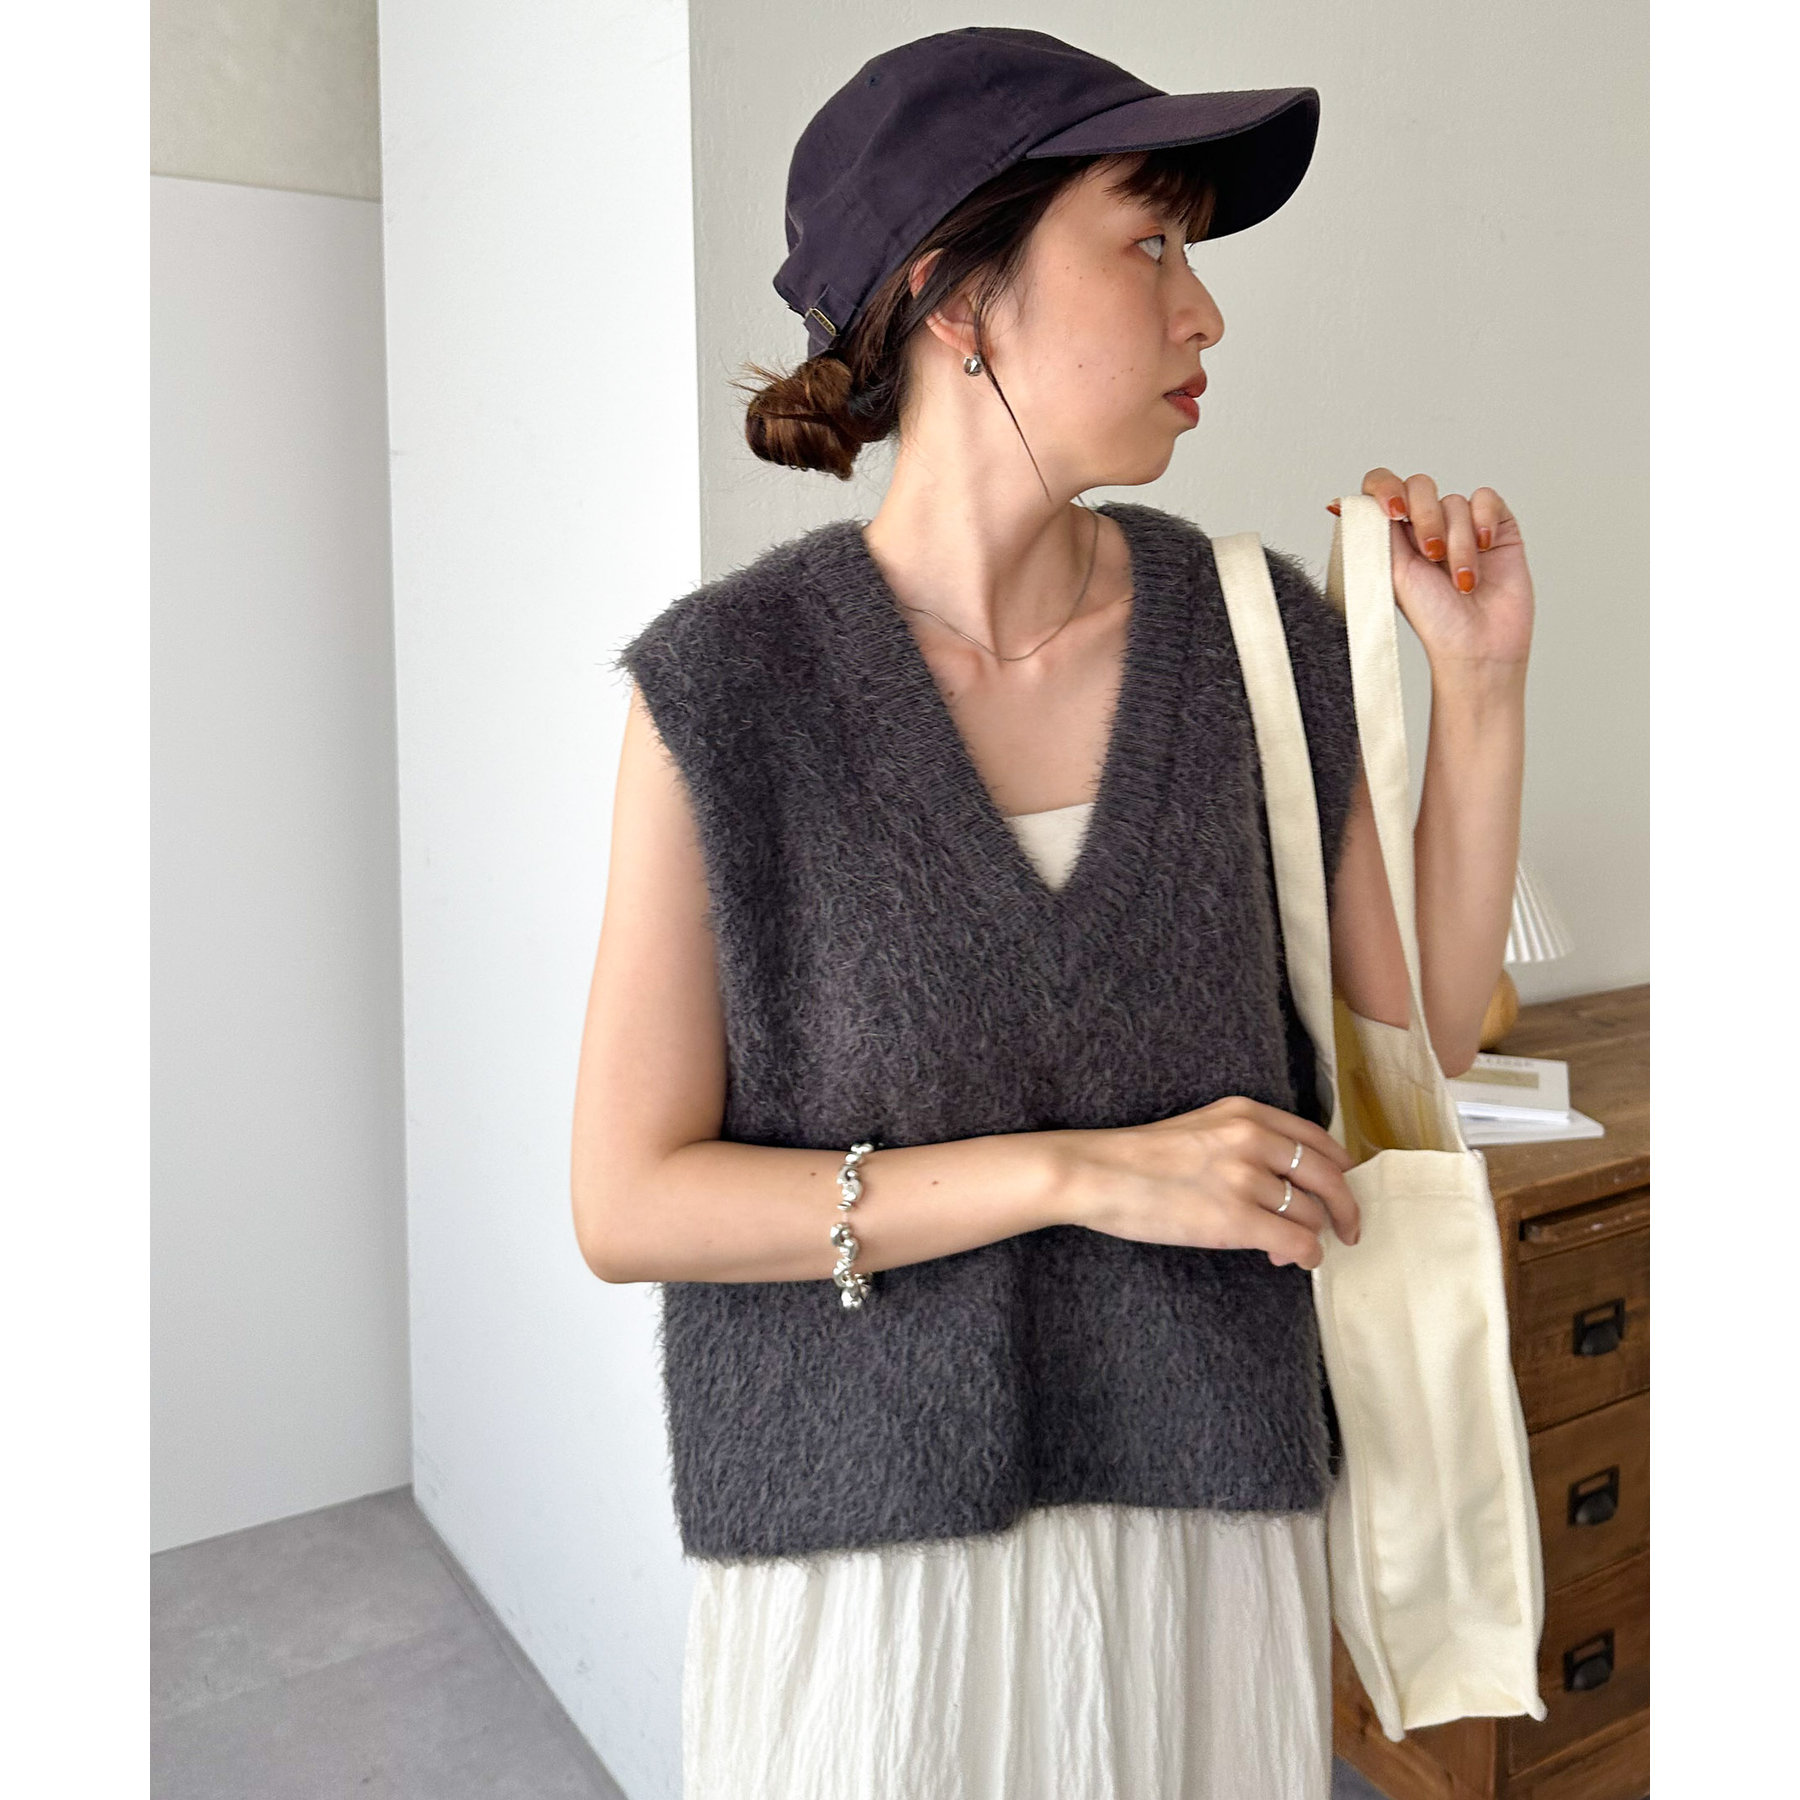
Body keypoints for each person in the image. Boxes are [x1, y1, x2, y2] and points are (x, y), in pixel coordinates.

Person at [570, 26, 1533, 1800]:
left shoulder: (1257, 641)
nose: (1204, 312)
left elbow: (1428, 1038)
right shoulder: (728, 691)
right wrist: (1085, 1173)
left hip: (1206, 1543)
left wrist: (1477, 689)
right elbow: (628, 1202)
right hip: (866, 1578)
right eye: (1148, 243)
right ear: (960, 297)